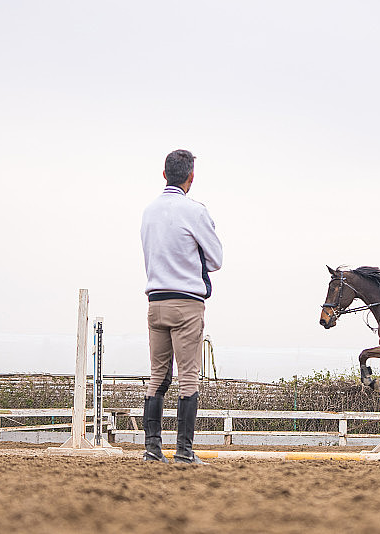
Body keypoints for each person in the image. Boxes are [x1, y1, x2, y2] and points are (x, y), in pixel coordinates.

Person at [140, 149, 223, 464]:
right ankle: (184, 451)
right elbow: (215, 260)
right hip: (187, 302)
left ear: (164, 174)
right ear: (191, 177)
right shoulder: (196, 211)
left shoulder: (148, 211)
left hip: (155, 301)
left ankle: (152, 449)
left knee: (157, 375)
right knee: (189, 375)